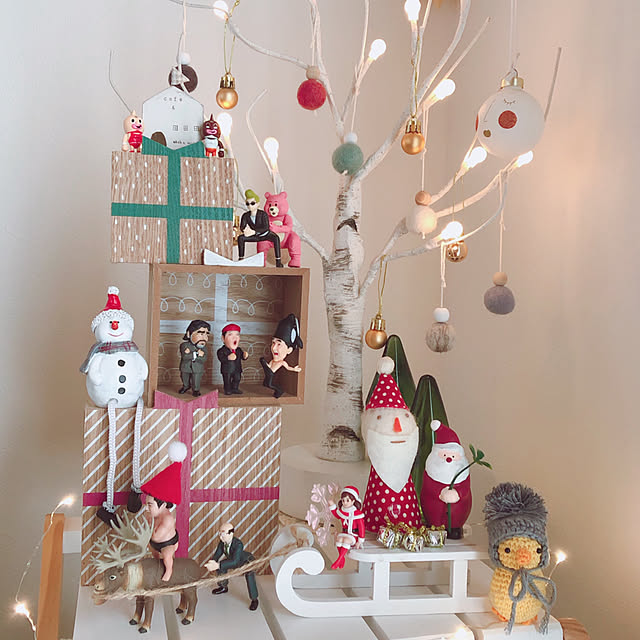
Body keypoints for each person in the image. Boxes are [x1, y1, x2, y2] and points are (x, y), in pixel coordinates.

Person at [140, 441, 188, 582]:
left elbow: (155, 535)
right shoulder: (153, 514)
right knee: (153, 551)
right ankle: (156, 562)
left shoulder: (168, 519)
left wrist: (148, 525)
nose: (147, 508)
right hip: (155, 543)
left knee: (167, 556)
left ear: (162, 505)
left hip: (168, 543)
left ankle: (168, 570)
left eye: (150, 505)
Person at [205, 522, 259, 611]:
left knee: (249, 577)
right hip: (233, 560)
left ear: (231, 533)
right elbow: (217, 554)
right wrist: (212, 562)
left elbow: (235, 561)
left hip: (246, 561)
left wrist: (217, 565)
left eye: (223, 534)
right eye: (219, 534)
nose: (220, 537)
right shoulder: (222, 543)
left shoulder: (238, 544)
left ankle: (254, 599)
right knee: (221, 567)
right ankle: (223, 586)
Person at [260, 314, 303, 398]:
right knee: (266, 383)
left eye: (279, 344)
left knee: (269, 384)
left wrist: (294, 369)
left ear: (289, 350)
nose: (274, 348)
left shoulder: (282, 362)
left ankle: (279, 390)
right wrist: (266, 365)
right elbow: (269, 366)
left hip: (270, 374)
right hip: (269, 372)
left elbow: (288, 368)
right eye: (273, 343)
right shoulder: (273, 361)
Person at [237, 190, 283, 267]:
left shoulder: (263, 214)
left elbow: (266, 227)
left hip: (265, 234)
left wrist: (254, 231)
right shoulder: (245, 215)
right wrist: (245, 230)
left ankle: (278, 261)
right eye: (248, 204)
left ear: (258, 203)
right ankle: (241, 258)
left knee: (276, 238)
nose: (250, 206)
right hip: (253, 235)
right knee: (240, 238)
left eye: (252, 203)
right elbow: (242, 226)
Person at [328, 486, 365, 570]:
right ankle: (342, 558)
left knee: (346, 541)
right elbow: (336, 514)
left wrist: (360, 541)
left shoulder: (357, 514)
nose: (345, 503)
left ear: (353, 501)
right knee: (339, 539)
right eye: (343, 500)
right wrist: (332, 504)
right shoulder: (342, 511)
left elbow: (361, 528)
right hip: (344, 533)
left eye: (347, 500)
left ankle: (339, 560)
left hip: (353, 535)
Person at [179, 320, 211, 397]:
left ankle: (196, 390)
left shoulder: (204, 348)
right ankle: (186, 386)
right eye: (201, 334)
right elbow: (185, 356)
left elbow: (204, 359)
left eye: (206, 334)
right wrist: (197, 354)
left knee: (196, 379)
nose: (204, 338)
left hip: (197, 368)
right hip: (185, 367)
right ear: (189, 334)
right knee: (184, 378)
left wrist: (191, 354)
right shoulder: (184, 345)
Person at [216, 323, 248, 395]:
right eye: (230, 335)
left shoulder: (239, 350)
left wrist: (244, 356)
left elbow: (242, 357)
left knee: (237, 379)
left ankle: (235, 388)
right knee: (227, 380)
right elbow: (221, 358)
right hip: (227, 370)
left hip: (237, 369)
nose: (235, 338)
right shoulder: (222, 350)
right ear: (223, 338)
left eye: (237, 335)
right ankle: (227, 390)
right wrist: (228, 357)